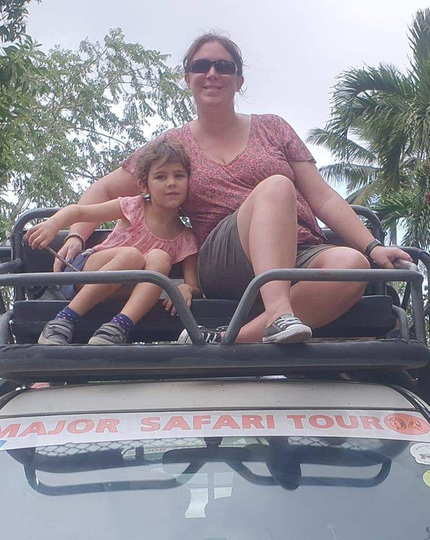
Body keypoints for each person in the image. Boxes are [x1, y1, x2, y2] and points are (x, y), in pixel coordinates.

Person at [53, 32, 411, 345]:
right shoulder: (174, 144)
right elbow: (105, 190)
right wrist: (77, 235)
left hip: (298, 249)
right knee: (276, 187)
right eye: (201, 66)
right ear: (188, 78)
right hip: (224, 258)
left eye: (224, 67)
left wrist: (372, 246)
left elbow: (324, 196)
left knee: (351, 264)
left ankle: (234, 338)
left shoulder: (273, 128)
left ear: (239, 80)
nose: (212, 73)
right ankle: (279, 312)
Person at [27, 140, 200, 345]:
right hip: (91, 273)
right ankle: (62, 320)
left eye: (179, 175)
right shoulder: (133, 207)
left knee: (159, 257)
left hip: (126, 290)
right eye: (160, 177)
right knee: (132, 255)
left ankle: (117, 328)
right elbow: (79, 212)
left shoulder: (185, 238)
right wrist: (54, 223)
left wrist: (186, 289)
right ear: (144, 185)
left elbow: (193, 284)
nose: (171, 183)